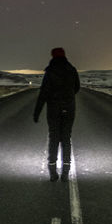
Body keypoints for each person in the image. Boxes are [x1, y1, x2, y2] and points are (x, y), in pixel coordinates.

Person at [33, 46, 80, 181]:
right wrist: (68, 97)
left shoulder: (50, 71)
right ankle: (65, 172)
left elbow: (43, 93)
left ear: (53, 56)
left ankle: (53, 172)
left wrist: (37, 112)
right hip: (69, 108)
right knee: (66, 138)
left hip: (53, 109)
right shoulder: (72, 70)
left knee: (54, 138)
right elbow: (77, 87)